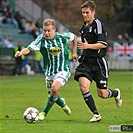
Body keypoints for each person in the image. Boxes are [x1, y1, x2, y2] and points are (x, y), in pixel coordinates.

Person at [14, 18, 78, 120]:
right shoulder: (41, 39)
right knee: (52, 95)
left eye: (49, 31)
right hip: (49, 72)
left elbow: (74, 37)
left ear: (54, 29)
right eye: (44, 30)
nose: (46, 33)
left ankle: (44, 112)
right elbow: (29, 48)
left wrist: (74, 52)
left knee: (54, 89)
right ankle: (62, 104)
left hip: (63, 70)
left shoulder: (62, 37)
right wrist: (21, 52)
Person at [74, 0, 122, 123]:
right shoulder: (83, 27)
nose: (85, 15)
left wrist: (87, 47)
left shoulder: (98, 25)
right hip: (86, 63)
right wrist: (80, 56)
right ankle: (96, 114)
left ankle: (115, 93)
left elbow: (102, 44)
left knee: (103, 94)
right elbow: (85, 45)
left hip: (98, 63)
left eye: (87, 12)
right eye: (83, 13)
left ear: (93, 12)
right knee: (83, 87)